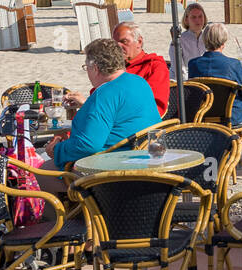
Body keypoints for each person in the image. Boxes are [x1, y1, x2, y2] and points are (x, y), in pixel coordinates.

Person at [44, 38, 161, 173]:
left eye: (86, 67)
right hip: (145, 158)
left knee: (41, 173)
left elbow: (88, 145)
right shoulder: (138, 81)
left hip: (116, 167)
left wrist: (56, 149)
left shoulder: (105, 93)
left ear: (95, 68)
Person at [66, 21, 171, 117]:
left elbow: (155, 109)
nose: (118, 46)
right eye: (115, 43)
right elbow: (100, 96)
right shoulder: (112, 66)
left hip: (131, 129)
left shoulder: (154, 66)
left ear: (139, 42)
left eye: (124, 42)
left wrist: (86, 104)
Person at [188, 22, 242, 134]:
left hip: (202, 113)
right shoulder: (233, 64)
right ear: (223, 43)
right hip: (230, 116)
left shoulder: (193, 64)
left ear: (204, 40)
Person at [169, 1, 209, 81]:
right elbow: (180, 71)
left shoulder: (208, 38)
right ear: (186, 20)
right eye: (193, 17)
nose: (198, 20)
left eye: (200, 16)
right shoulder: (178, 40)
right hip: (183, 82)